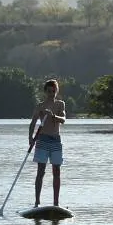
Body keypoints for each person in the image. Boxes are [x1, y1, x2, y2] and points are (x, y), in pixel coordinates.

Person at [29, 78, 67, 207]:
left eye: (54, 91)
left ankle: (56, 204)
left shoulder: (60, 104)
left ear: (56, 91)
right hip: (42, 139)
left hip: (55, 140)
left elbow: (63, 119)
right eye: (49, 91)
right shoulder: (40, 106)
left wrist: (54, 116)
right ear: (45, 91)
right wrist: (30, 139)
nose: (52, 93)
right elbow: (33, 123)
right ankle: (37, 202)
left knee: (56, 171)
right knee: (41, 171)